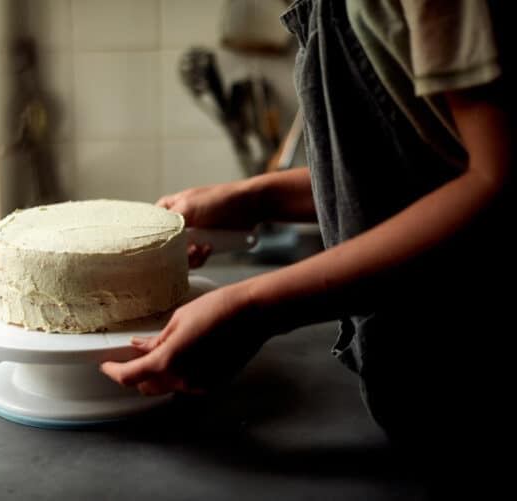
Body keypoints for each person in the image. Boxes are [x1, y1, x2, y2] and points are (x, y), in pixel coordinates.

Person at [101, 0, 514, 493]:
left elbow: (499, 184)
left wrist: (255, 307)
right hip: (421, 399)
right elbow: (426, 168)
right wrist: (260, 196)